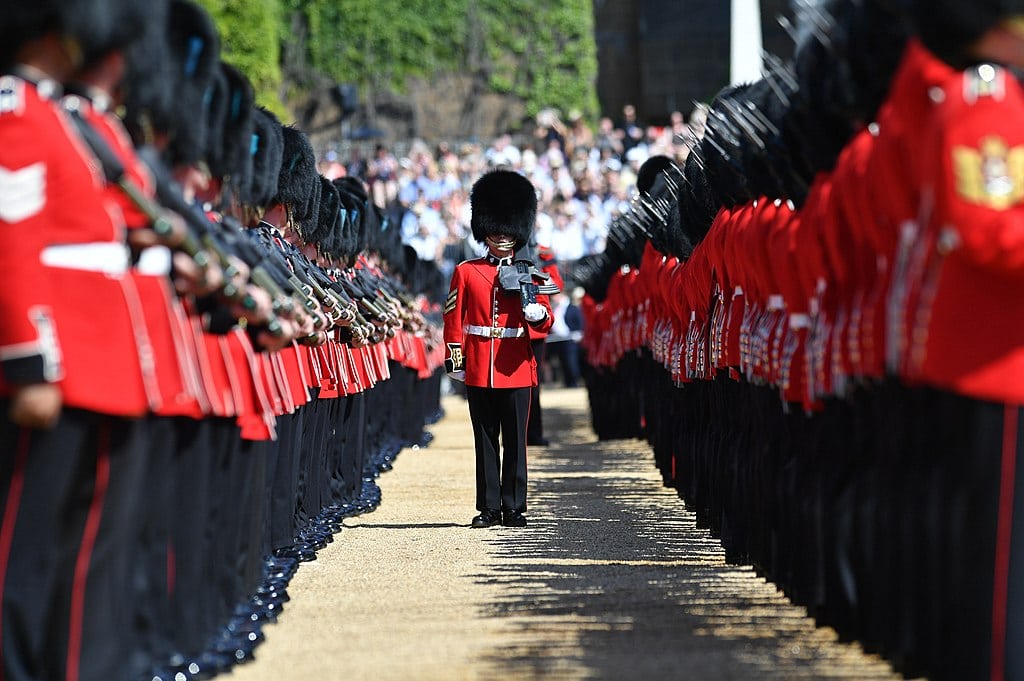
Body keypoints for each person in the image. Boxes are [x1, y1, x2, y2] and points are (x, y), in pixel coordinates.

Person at [443, 169, 554, 528]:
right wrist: (457, 361)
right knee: (485, 440)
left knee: (516, 444)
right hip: (478, 366)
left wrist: (537, 313)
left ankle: (515, 506)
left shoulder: (529, 272)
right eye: (495, 229)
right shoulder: (466, 271)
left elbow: (545, 320)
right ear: (484, 229)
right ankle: (489, 507)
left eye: (508, 229)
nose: (502, 236)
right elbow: (453, 321)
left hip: (516, 366)